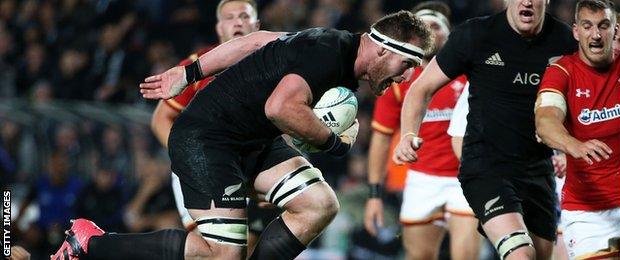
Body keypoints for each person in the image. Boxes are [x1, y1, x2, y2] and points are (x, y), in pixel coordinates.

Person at [53, 11, 432, 260]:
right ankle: (92, 244)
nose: (407, 77)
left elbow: (257, 40)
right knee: (222, 254)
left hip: (251, 141)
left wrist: (188, 73)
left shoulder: (335, 43)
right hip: (207, 141)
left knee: (319, 203)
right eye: (409, 64)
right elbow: (281, 109)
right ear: (384, 49)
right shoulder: (328, 54)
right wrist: (332, 142)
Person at [393, 0, 578, 259]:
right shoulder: (476, 35)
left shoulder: (566, 41)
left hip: (538, 169)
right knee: (520, 255)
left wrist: (568, 150)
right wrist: (409, 134)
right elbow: (420, 89)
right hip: (486, 168)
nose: (526, 1)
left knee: (541, 255)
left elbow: (586, 100)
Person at [149, 1, 277, 250]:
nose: (238, 22)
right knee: (212, 248)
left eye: (244, 16)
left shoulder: (275, 67)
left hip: (252, 168)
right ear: (219, 28)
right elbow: (160, 119)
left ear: (257, 25)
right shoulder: (197, 66)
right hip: (203, 167)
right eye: (229, 18)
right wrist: (192, 159)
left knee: (250, 246)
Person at [363, 2, 480, 260]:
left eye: (436, 26)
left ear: (449, 33)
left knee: (466, 255)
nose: (431, 31)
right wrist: (374, 195)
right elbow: (381, 139)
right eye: (424, 26)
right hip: (421, 180)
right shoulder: (399, 80)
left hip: (466, 178)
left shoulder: (471, 74)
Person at [535, 1, 620, 259]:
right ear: (576, 31)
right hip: (586, 211)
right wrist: (574, 145)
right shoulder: (561, 72)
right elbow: (546, 121)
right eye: (588, 26)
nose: (596, 34)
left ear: (615, 30)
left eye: (603, 26)